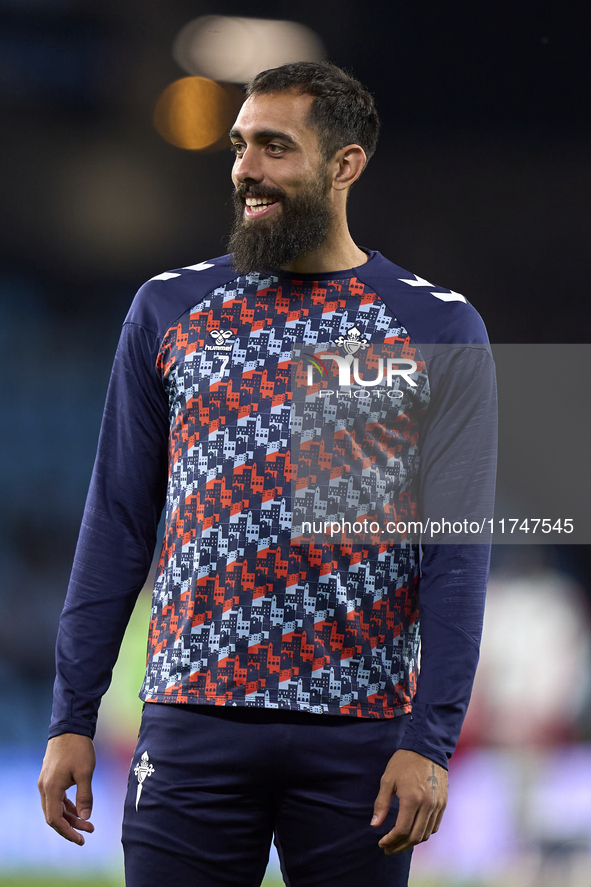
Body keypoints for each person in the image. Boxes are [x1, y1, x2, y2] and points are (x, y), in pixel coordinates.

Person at [38, 61, 497, 887]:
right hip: (191, 729)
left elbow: (453, 555)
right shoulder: (167, 310)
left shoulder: (432, 325)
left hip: (359, 737)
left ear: (344, 165)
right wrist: (70, 716)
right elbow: (115, 521)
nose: (244, 168)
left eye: (273, 147)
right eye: (240, 146)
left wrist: (427, 741)